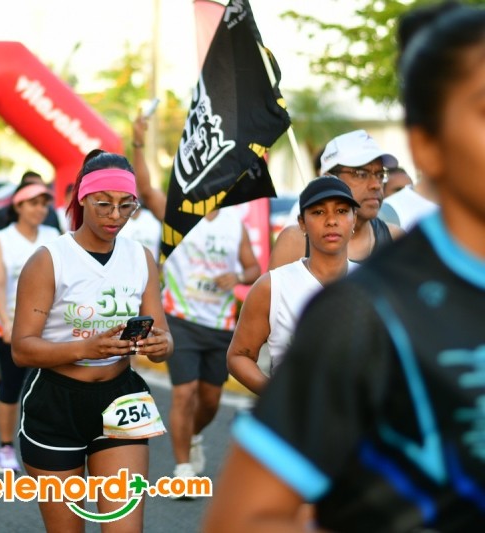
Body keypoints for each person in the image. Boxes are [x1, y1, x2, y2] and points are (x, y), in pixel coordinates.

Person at [204, 3, 485, 531]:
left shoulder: (393, 246)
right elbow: (244, 516)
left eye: (378, 174)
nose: (373, 184)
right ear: (428, 145)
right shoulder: (361, 307)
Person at [12, 150, 173, 532]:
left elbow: (164, 338)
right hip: (56, 401)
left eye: (126, 205)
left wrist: (160, 345)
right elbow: (21, 349)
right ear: (82, 198)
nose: (115, 215)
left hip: (120, 398)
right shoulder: (49, 259)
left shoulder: (141, 257)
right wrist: (86, 349)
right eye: (104, 203)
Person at [133, 112, 261, 479]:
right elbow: (146, 191)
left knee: (209, 399)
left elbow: (254, 269)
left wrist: (237, 276)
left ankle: (193, 437)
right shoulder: (178, 212)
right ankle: (183, 468)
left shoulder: (235, 224)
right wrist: (139, 142)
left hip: (219, 324)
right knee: (185, 392)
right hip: (180, 319)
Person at [226, 176, 358, 395]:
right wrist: (278, 398)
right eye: (319, 212)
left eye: (342, 211)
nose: (331, 220)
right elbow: (238, 356)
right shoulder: (273, 286)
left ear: (354, 219)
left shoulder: (374, 282)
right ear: (302, 223)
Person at [0, 181, 58, 473]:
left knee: (46, 391)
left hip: (48, 330)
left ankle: (43, 445)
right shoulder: (2, 239)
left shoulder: (53, 236)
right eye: (33, 203)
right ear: (18, 206)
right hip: (11, 329)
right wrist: (6, 323)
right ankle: (5, 448)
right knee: (11, 389)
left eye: (44, 204)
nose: (40, 209)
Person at [268, 129, 404, 269]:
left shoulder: (396, 239)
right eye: (361, 174)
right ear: (329, 177)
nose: (376, 185)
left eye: (380, 175)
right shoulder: (295, 241)